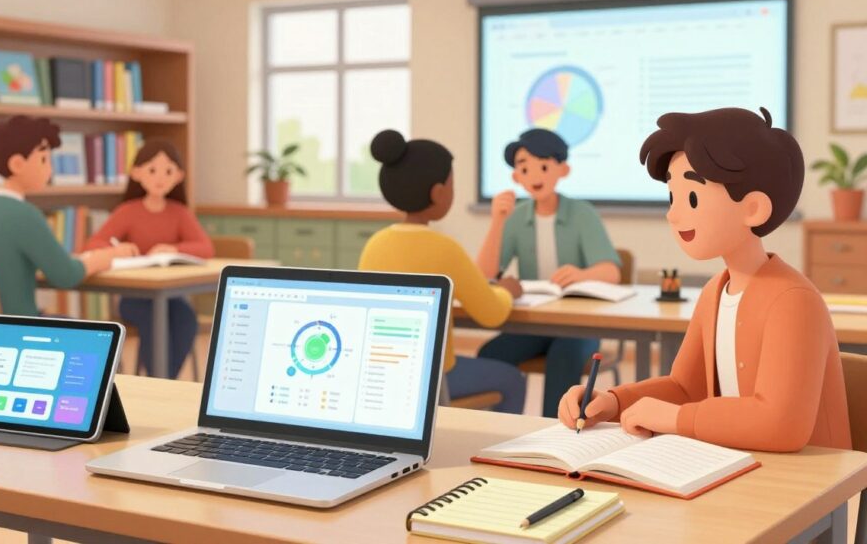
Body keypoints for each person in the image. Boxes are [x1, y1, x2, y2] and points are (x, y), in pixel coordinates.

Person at [557, 107, 852, 452]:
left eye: (692, 198)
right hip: (733, 461)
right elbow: (686, 388)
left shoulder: (793, 300)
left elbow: (782, 426)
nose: (673, 213)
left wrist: (676, 420)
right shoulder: (715, 291)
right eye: (672, 196)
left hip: (808, 484)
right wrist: (614, 401)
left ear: (754, 208)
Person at [358, 129, 527, 414]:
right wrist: (506, 291)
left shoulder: (375, 244)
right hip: (435, 380)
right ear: (438, 192)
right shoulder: (443, 247)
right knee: (512, 380)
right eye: (452, 184)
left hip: (382, 376)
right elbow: (491, 314)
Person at [475, 129, 621, 418]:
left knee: (563, 358)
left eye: (543, 167)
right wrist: (497, 222)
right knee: (491, 354)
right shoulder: (516, 217)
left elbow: (612, 271)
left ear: (562, 170)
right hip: (535, 323)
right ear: (516, 177)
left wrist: (581, 274)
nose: (534, 176)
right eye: (524, 168)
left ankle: (554, 431)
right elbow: (484, 274)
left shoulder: (582, 213)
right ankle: (496, 429)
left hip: (579, 325)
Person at [0, 115, 137, 316]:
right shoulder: (24, 215)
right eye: (44, 160)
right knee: (94, 334)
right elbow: (66, 275)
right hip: (15, 326)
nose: (50, 169)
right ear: (17, 164)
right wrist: (108, 256)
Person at [85, 139, 214, 379]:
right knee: (155, 323)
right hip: (135, 298)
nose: (160, 178)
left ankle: (164, 380)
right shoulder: (128, 211)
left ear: (179, 176)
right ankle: (160, 379)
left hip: (172, 298)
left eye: (168, 171)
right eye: (152, 170)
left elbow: (205, 247)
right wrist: (118, 250)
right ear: (136, 173)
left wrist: (174, 249)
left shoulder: (179, 213)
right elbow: (94, 244)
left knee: (186, 320)